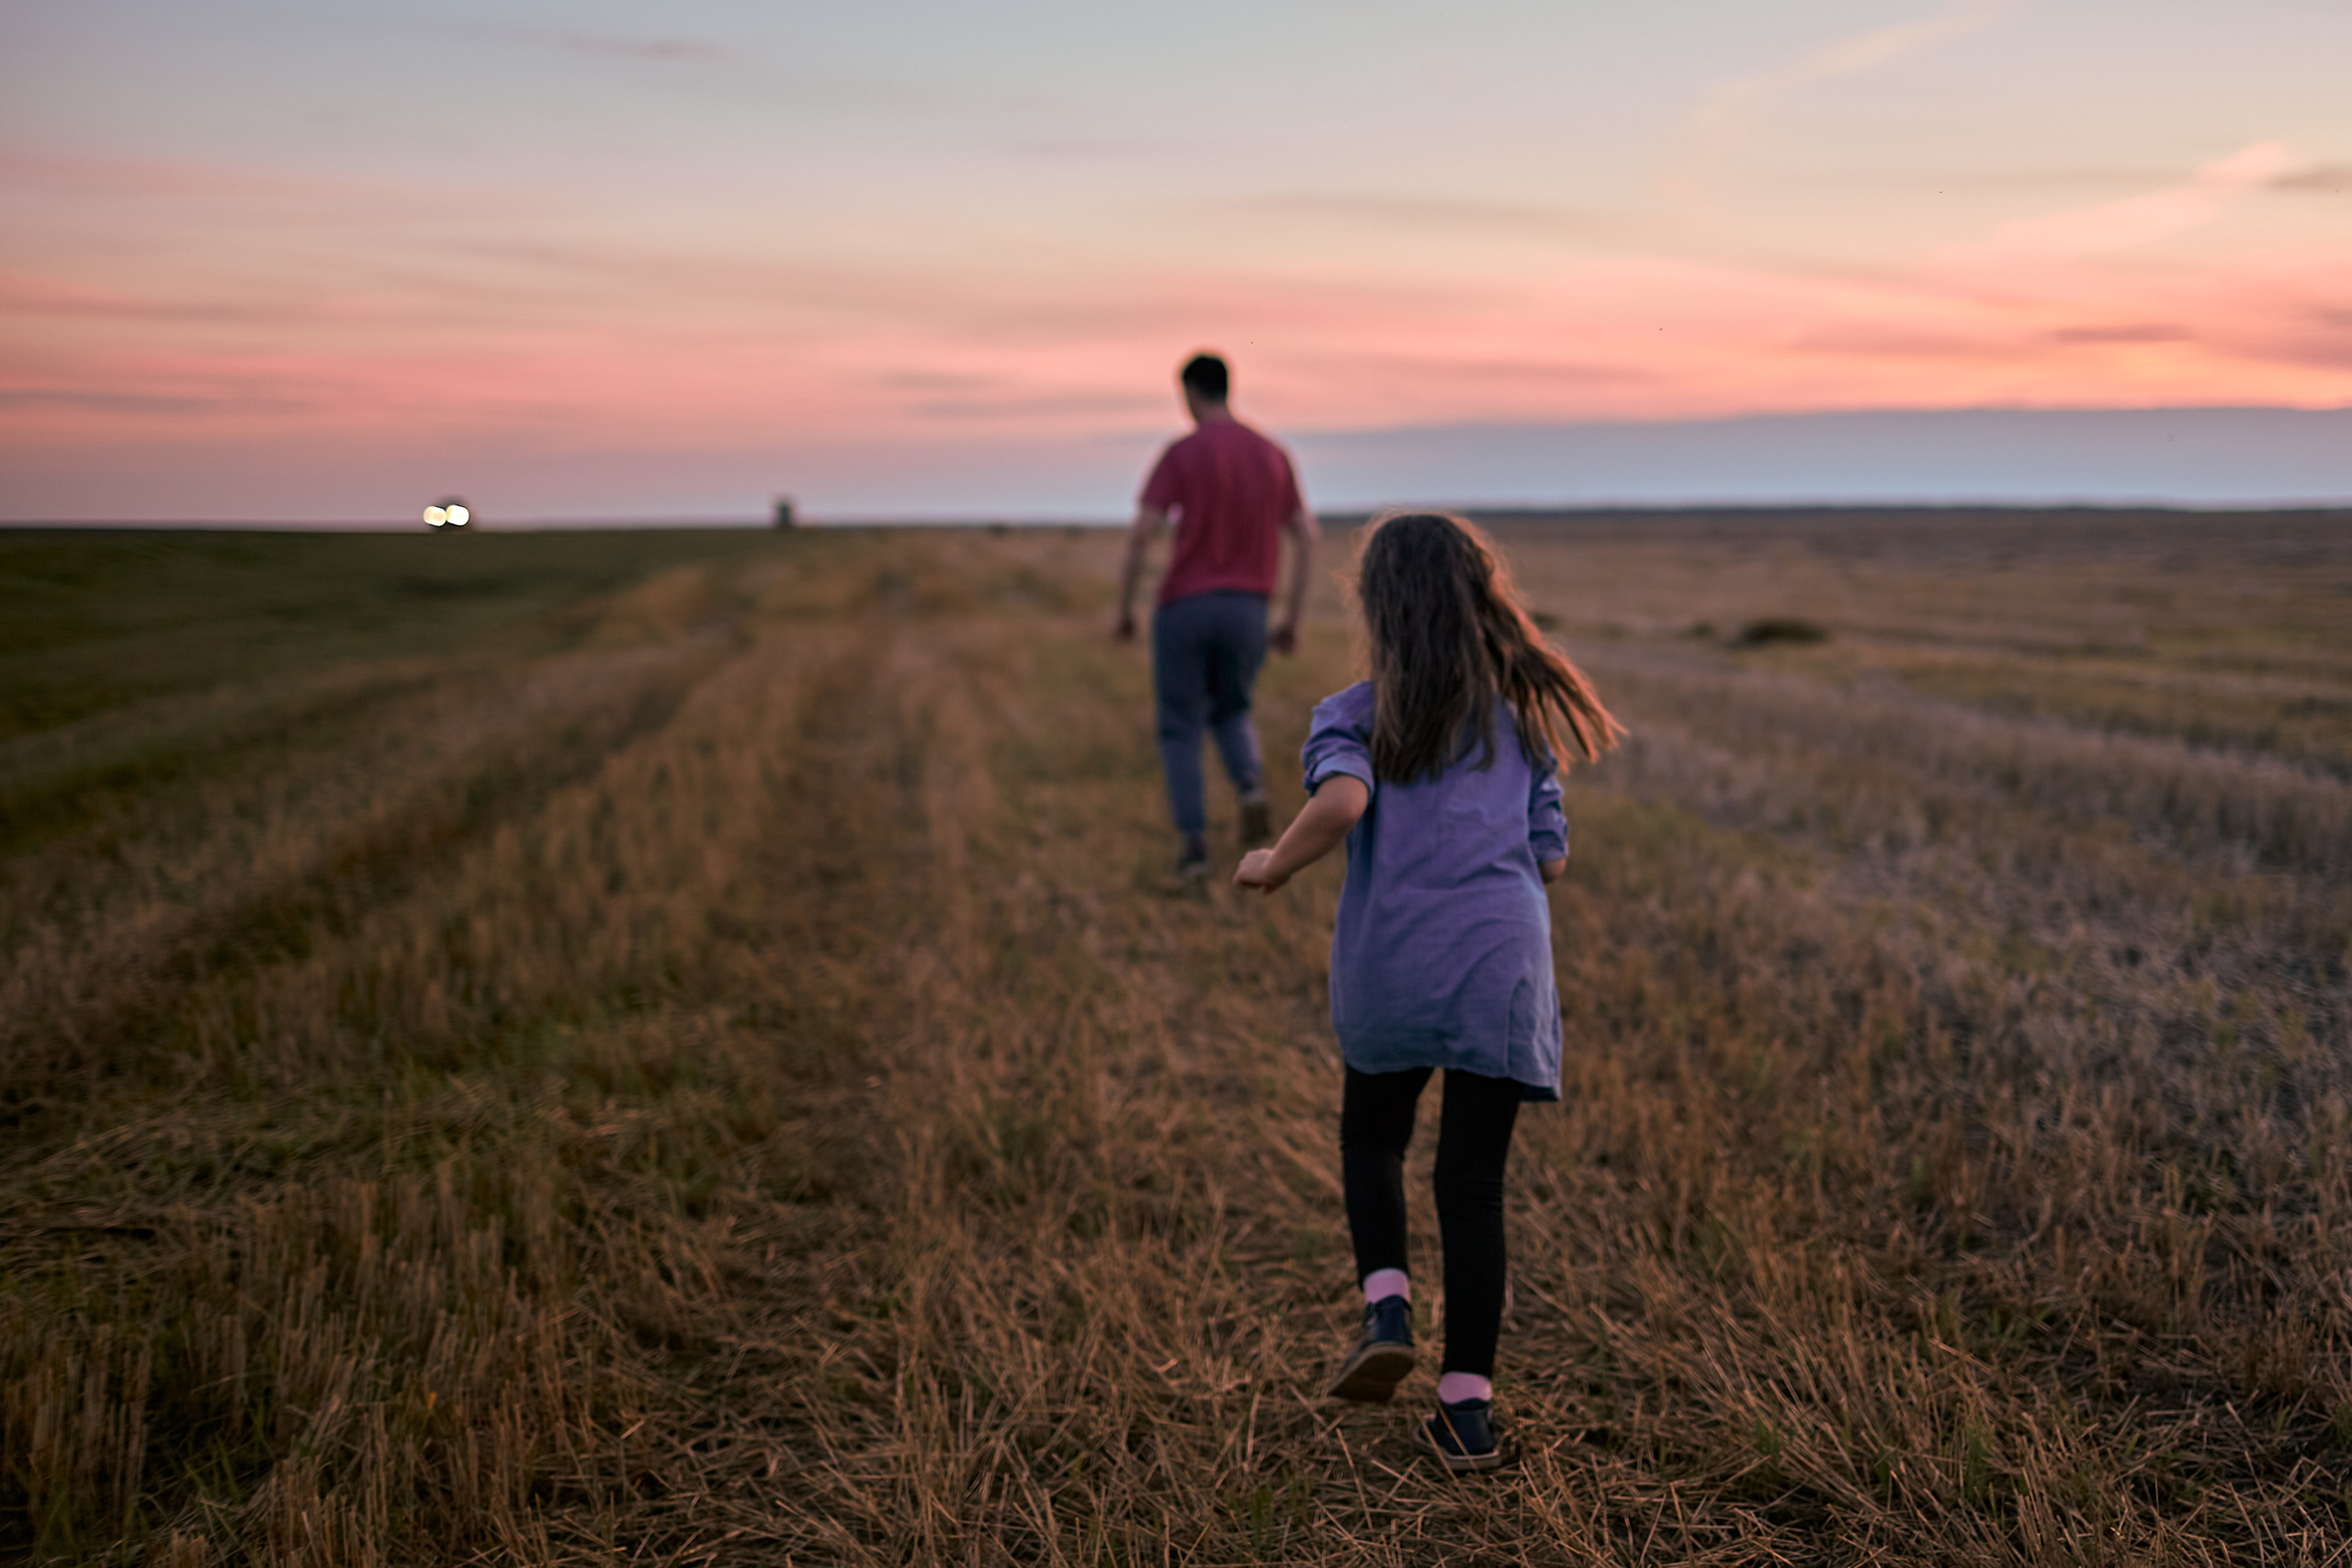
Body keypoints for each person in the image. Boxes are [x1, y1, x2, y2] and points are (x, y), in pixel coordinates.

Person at [1233, 512, 1623, 1472]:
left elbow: (1342, 804)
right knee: (1473, 1184)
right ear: (1476, 600)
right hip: (1500, 967)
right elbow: (1553, 858)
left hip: (1395, 962)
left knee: (1371, 1137)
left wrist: (1273, 864)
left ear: (1378, 609)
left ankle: (1387, 1307)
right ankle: (1466, 1415)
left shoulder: (1355, 713)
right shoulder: (1523, 719)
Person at [1115, 353, 1317, 878]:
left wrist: (1124, 607)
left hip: (1184, 605)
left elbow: (1142, 532)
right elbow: (1308, 537)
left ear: (1190, 393)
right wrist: (1291, 617)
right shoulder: (1273, 454)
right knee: (1232, 709)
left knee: (1180, 726)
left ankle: (1194, 847)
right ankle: (1249, 783)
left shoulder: (1181, 453)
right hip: (1249, 609)